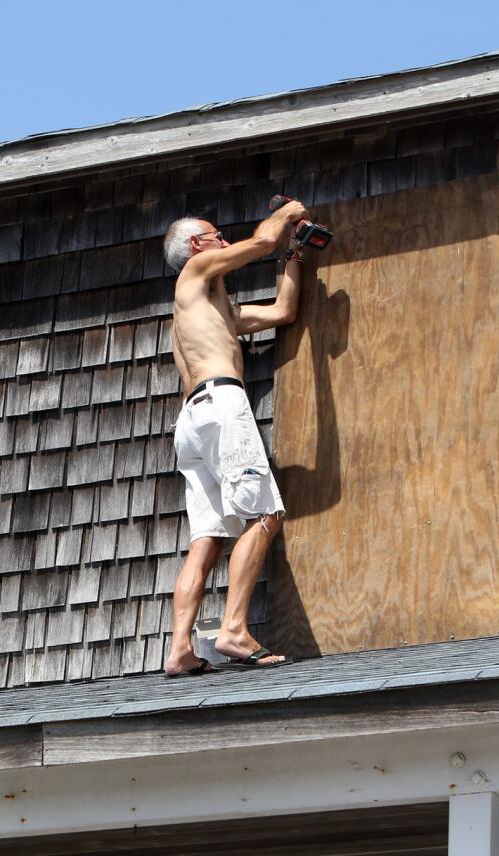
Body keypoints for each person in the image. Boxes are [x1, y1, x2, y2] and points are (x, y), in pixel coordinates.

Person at [161, 200, 310, 676]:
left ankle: (180, 650)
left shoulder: (210, 311)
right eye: (217, 234)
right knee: (266, 513)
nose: (224, 241)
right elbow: (262, 241)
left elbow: (284, 311)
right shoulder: (195, 269)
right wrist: (287, 214)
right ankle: (233, 631)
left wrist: (296, 255)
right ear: (196, 245)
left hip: (190, 421)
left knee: (205, 539)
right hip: (222, 404)